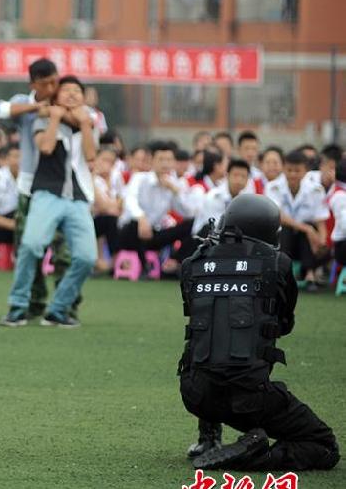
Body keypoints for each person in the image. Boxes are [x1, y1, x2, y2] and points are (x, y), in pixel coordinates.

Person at [178, 194, 340, 471]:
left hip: (195, 394)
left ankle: (208, 438)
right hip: (249, 398)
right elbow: (284, 324)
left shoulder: (192, 264)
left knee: (213, 338)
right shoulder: (278, 263)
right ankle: (254, 455)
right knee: (324, 445)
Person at [0, 75, 97, 328]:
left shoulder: (89, 122)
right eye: (67, 90)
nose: (72, 94)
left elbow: (91, 155)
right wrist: (54, 117)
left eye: (77, 90)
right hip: (46, 193)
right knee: (31, 246)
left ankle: (59, 309)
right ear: (55, 96)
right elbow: (45, 147)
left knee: (86, 257)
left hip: (78, 197)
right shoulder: (42, 118)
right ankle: (17, 306)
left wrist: (86, 125)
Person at [117, 141, 195, 272]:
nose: (165, 164)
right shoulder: (140, 178)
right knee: (134, 224)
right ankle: (144, 267)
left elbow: (187, 212)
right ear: (151, 161)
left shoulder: (173, 184)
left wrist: (175, 192)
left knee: (193, 224)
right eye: (161, 159)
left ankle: (173, 263)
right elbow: (129, 200)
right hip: (130, 232)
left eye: (169, 160)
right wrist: (141, 218)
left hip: (153, 234)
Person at [265, 150, 329, 289]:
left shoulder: (316, 190)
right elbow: (278, 216)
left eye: (297, 170)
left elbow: (321, 222)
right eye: (289, 170)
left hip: (306, 243)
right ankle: (283, 275)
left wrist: (321, 243)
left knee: (310, 229)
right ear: (284, 169)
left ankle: (310, 275)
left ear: (306, 171)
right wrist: (307, 229)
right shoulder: (272, 187)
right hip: (283, 240)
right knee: (286, 228)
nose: (293, 174)